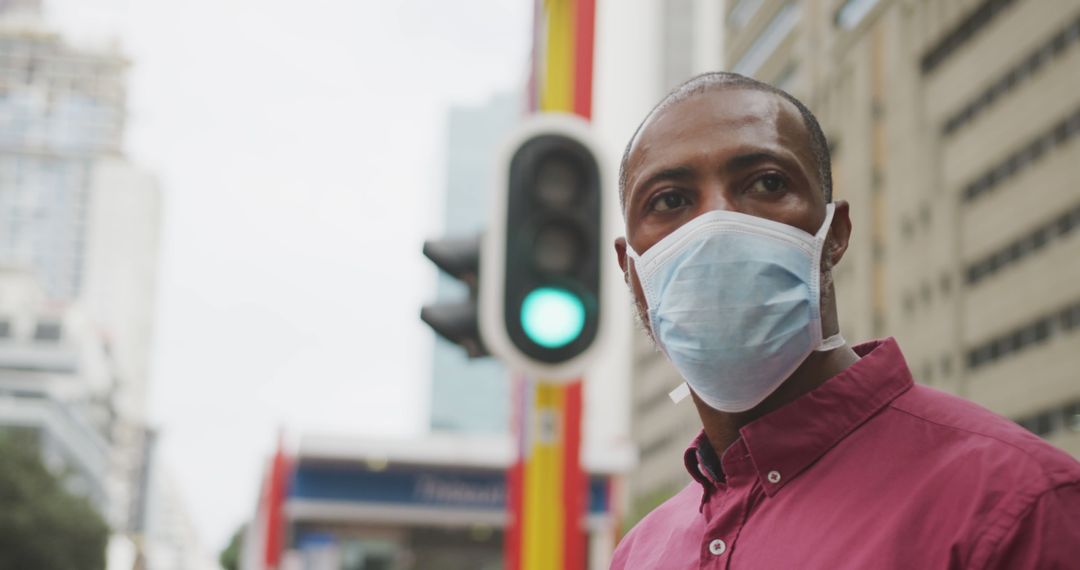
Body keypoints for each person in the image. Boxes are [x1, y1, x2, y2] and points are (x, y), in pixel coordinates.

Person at [610, 72, 1080, 569]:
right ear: (631, 270)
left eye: (767, 183)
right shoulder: (640, 553)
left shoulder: (1018, 503)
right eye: (670, 200)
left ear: (834, 234)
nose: (716, 225)